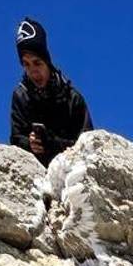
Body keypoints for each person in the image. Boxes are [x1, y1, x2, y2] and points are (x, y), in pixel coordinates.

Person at [10, 18, 92, 168]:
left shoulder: (72, 99)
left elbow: (89, 147)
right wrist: (29, 144)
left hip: (71, 175)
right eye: (26, 64)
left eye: (37, 63)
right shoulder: (21, 96)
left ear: (47, 61)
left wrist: (53, 143)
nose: (33, 71)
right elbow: (15, 139)